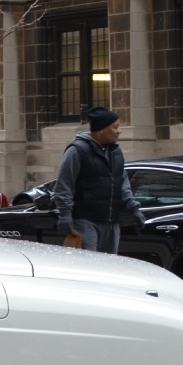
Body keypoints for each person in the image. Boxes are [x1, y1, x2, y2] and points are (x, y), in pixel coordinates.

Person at [53, 106, 140, 254]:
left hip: (111, 221)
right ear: (101, 130)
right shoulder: (77, 150)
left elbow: (122, 183)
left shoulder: (116, 152)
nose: (119, 131)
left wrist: (133, 208)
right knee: (90, 262)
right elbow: (64, 185)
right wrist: (65, 215)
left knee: (109, 264)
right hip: (85, 221)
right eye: (115, 127)